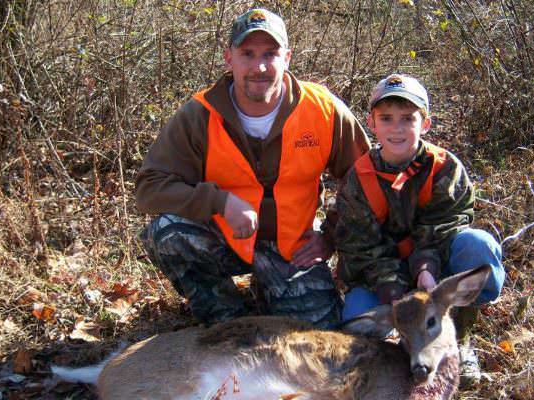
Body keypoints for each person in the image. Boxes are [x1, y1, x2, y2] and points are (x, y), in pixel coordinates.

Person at [135, 8, 370, 330]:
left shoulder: (323, 110)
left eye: (270, 54)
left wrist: (330, 236)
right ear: (228, 58)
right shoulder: (199, 115)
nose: (259, 67)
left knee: (315, 336)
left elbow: (366, 180)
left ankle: (269, 287)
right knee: (169, 231)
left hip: (292, 246)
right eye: (247, 54)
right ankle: (227, 316)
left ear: (287, 57)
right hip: (224, 236)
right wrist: (222, 203)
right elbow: (150, 188)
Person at [332, 73, 505, 385]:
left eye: (407, 118)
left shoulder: (445, 168)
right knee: (355, 315)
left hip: (435, 272)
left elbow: (446, 224)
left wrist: (426, 271)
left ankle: (458, 342)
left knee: (476, 246)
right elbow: (359, 246)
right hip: (384, 277)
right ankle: (405, 352)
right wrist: (395, 295)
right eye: (386, 118)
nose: (396, 128)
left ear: (425, 123)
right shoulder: (359, 178)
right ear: (372, 124)